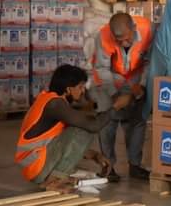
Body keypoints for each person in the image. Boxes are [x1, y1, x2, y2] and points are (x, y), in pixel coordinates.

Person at [15, 64, 111, 193]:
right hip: (36, 165)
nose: (83, 91)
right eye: (80, 87)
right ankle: (54, 181)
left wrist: (95, 156)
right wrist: (115, 108)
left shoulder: (54, 101)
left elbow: (64, 144)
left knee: (79, 128)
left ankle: (54, 178)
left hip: (36, 164)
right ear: (68, 89)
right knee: (83, 128)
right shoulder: (55, 104)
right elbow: (93, 126)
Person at [91, 12, 153, 182]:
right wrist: (114, 94)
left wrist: (140, 87)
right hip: (110, 81)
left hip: (136, 79)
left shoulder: (147, 29)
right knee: (107, 123)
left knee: (137, 122)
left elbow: (150, 62)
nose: (124, 43)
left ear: (133, 28)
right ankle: (108, 167)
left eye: (127, 38)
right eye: (119, 40)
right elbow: (101, 68)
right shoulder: (103, 36)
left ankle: (135, 166)